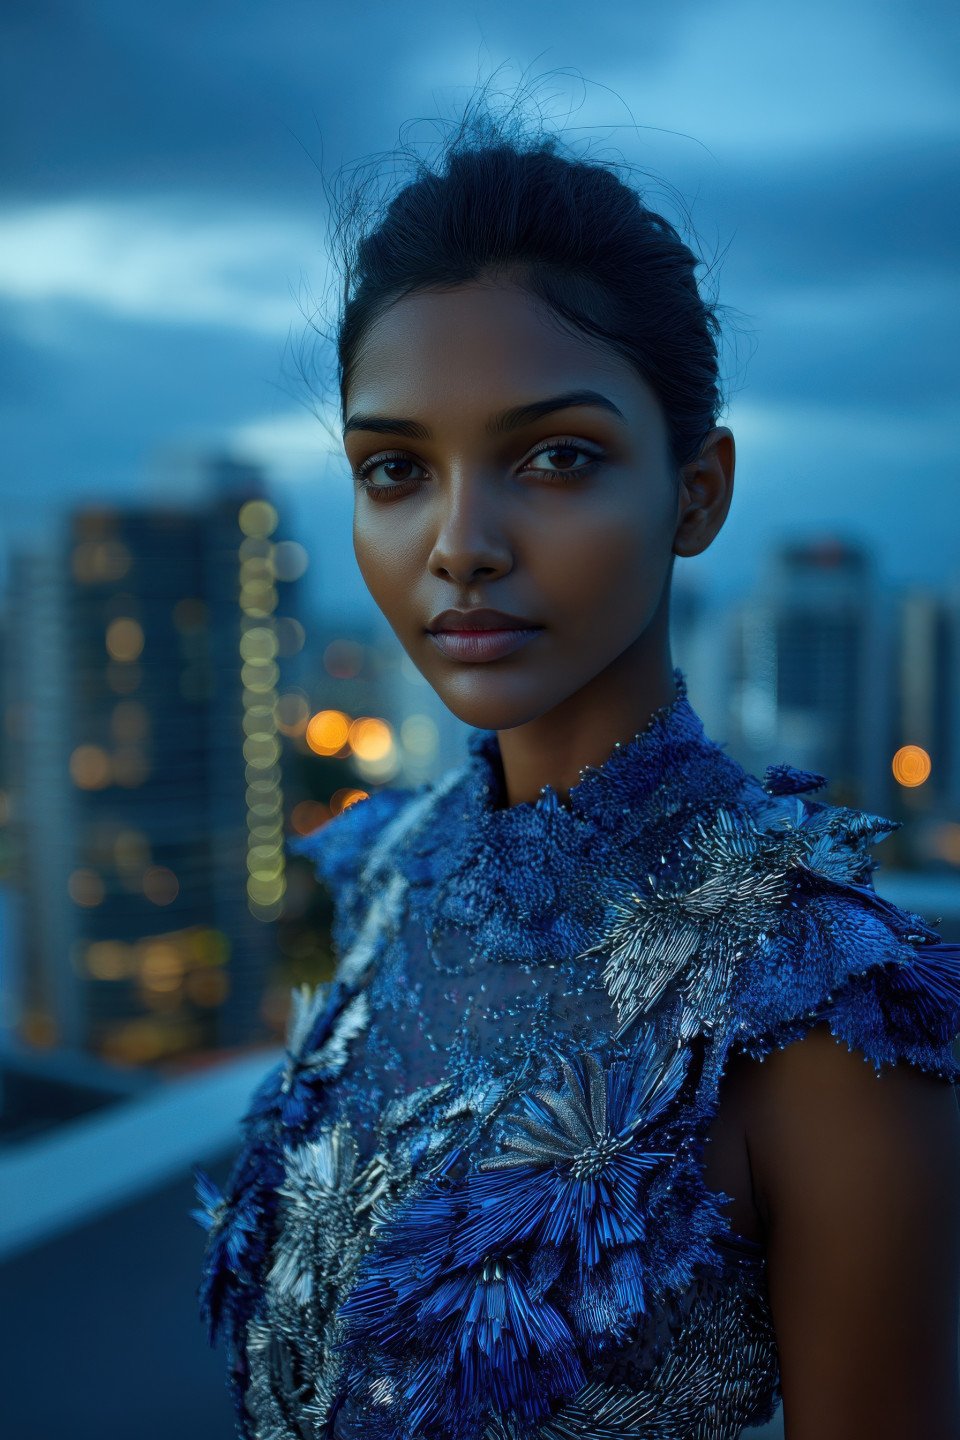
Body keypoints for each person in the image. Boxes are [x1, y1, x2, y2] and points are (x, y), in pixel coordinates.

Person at [192, 85, 960, 1440]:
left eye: (555, 456)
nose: (460, 542)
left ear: (698, 492)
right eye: (394, 468)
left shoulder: (819, 1007)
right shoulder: (381, 875)